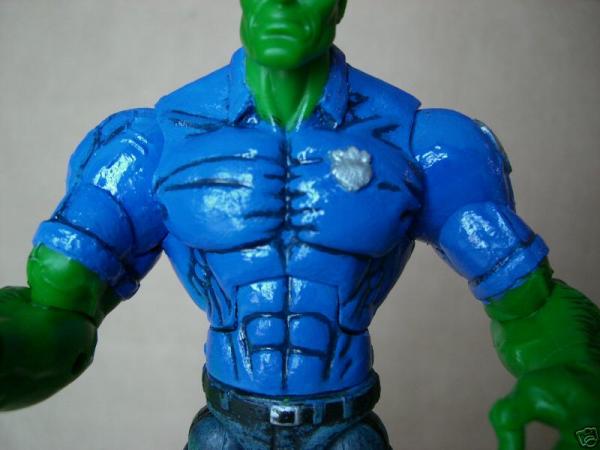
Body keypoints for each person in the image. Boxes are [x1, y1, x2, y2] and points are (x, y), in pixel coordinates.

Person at [1, 1, 598, 449]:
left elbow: (531, 304)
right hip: (225, 428)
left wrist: (577, 374)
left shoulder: (422, 141)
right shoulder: (159, 141)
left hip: (346, 429)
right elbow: (60, 312)